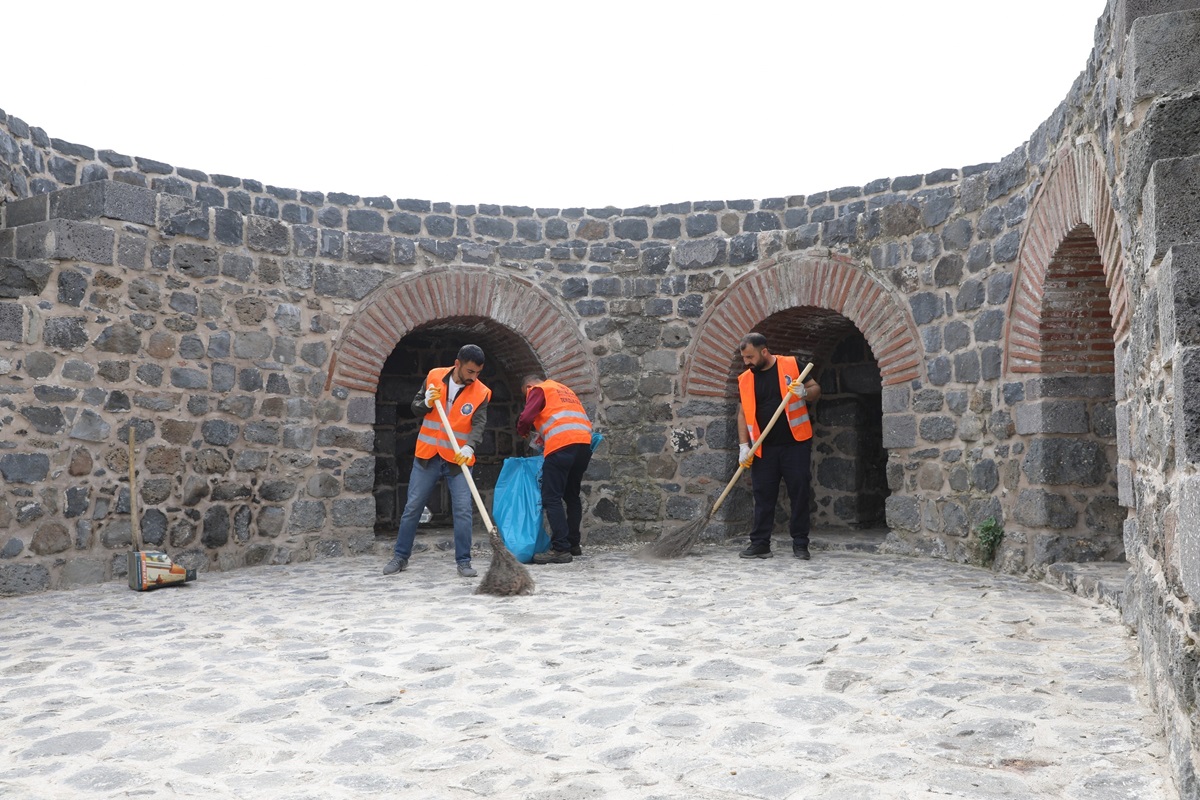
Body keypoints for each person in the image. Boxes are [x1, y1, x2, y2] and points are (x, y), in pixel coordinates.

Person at [384, 344, 491, 578]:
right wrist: (427, 403)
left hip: (458, 458)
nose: (474, 377)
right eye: (470, 371)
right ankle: (400, 557)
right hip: (427, 456)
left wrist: (469, 446)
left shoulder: (482, 392)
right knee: (412, 507)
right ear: (457, 364)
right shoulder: (433, 376)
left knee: (462, 510)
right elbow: (415, 408)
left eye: (478, 373)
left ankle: (464, 561)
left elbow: (479, 424)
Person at [735, 333, 822, 560]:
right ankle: (760, 544)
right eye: (744, 358)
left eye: (750, 357)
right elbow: (743, 413)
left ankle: (801, 544)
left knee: (799, 493)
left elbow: (815, 389)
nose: (747, 362)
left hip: (796, 444)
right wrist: (744, 445)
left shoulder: (792, 364)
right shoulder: (745, 378)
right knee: (763, 495)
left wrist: (804, 393)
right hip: (763, 448)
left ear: (764, 351)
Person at [516, 374, 593, 564]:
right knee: (571, 495)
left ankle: (560, 548)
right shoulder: (564, 390)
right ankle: (573, 544)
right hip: (583, 445)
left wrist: (523, 431)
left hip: (561, 446)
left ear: (528, 387)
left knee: (551, 497)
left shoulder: (538, 390)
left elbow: (526, 417)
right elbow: (563, 419)